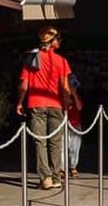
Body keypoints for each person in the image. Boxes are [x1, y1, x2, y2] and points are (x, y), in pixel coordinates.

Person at [17, 26, 71, 189]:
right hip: (56, 104)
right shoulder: (61, 61)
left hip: (36, 103)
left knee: (40, 142)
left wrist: (20, 101)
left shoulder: (31, 59)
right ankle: (56, 177)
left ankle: (45, 178)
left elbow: (24, 84)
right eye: (58, 39)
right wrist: (66, 104)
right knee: (56, 141)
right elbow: (65, 87)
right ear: (52, 41)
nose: (60, 42)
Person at [65, 73, 84, 178]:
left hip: (76, 124)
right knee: (63, 146)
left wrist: (75, 95)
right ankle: (62, 168)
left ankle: (73, 167)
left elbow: (80, 107)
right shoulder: (62, 96)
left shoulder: (78, 97)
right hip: (64, 124)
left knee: (75, 147)